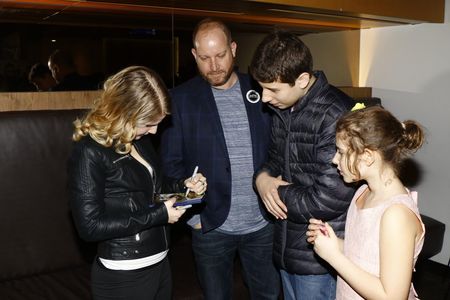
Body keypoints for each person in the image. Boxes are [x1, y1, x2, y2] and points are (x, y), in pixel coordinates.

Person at [159, 18, 280, 299]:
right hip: (210, 226)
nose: (214, 66)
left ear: (234, 49)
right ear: (193, 56)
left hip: (262, 223)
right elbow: (170, 166)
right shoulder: (180, 99)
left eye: (220, 55)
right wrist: (193, 217)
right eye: (204, 58)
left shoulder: (262, 91)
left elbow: (278, 147)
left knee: (269, 295)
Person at [67, 65, 207, 300]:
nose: (154, 131)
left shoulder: (139, 140)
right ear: (124, 113)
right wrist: (159, 216)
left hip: (160, 262)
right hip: (124, 275)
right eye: (148, 123)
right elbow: (89, 227)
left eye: (158, 123)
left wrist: (184, 186)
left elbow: (155, 187)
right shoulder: (89, 152)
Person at [249, 30, 356, 300]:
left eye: (272, 89)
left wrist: (276, 192)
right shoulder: (285, 107)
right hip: (289, 245)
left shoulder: (335, 114)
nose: (264, 97)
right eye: (261, 87)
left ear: (303, 79)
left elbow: (329, 198)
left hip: (320, 255)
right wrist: (261, 180)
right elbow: (272, 161)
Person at [307, 106, 425, 300]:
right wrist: (334, 244)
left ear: (368, 156)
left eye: (342, 152)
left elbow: (392, 297)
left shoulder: (396, 214)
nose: (334, 159)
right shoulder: (363, 191)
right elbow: (366, 256)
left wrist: (333, 257)